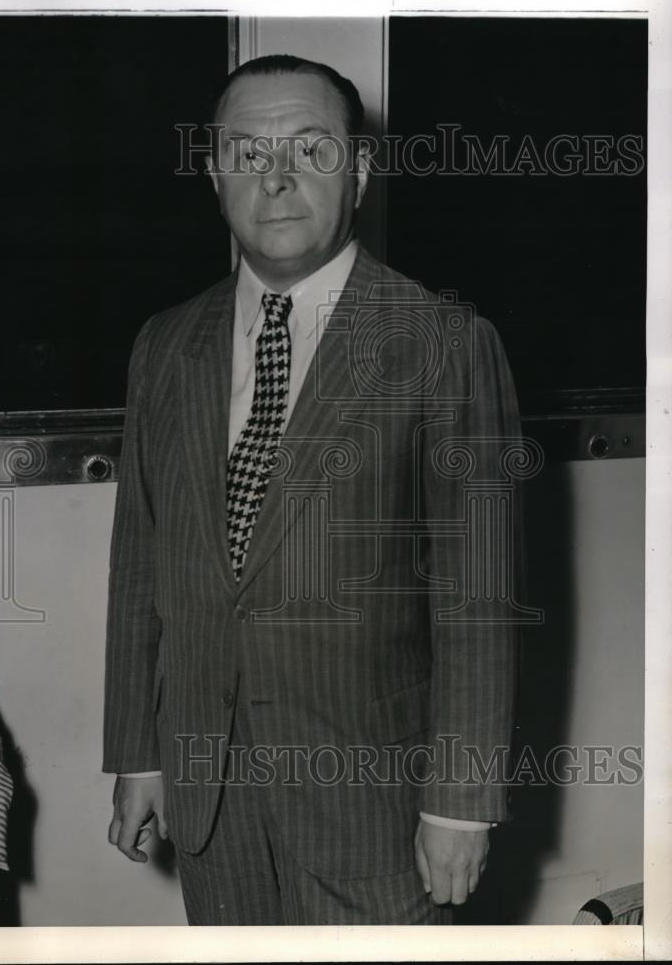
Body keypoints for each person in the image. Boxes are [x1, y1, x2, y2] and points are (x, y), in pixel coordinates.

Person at [103, 54, 523, 925]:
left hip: (374, 807)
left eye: (311, 149)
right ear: (216, 175)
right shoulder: (163, 344)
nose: (278, 177)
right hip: (210, 795)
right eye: (248, 153)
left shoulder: (444, 342)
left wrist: (461, 800)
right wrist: (137, 754)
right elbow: (141, 564)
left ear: (360, 172)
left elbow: (477, 600)